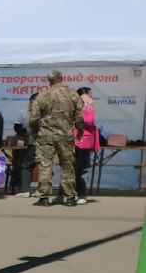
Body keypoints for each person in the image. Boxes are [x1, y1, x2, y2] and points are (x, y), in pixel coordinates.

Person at [28, 69, 79, 207]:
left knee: (45, 165)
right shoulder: (72, 94)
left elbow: (33, 118)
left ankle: (44, 198)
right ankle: (70, 198)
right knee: (67, 166)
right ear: (62, 79)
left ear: (49, 81)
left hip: (45, 136)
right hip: (65, 136)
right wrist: (79, 129)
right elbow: (80, 116)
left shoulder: (42, 96)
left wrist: (33, 131)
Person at [74, 87, 100, 201]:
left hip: (80, 140)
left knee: (76, 168)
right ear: (84, 96)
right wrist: (89, 107)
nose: (91, 96)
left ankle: (71, 194)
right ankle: (80, 195)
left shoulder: (76, 106)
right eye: (90, 94)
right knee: (80, 169)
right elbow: (88, 121)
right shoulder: (84, 106)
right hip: (82, 141)